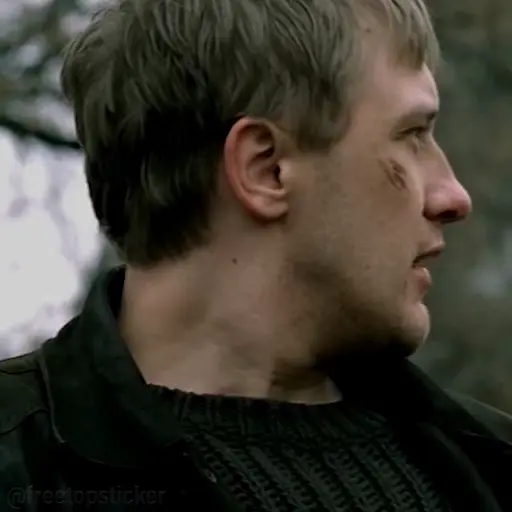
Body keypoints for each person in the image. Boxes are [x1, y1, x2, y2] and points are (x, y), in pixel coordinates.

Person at [0, 0, 511, 510]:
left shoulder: (489, 469)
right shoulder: (19, 468)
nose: (453, 197)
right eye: (412, 134)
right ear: (266, 168)